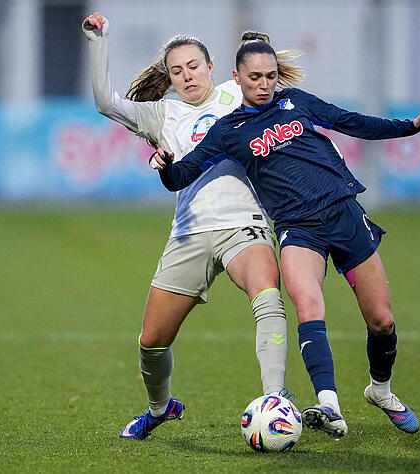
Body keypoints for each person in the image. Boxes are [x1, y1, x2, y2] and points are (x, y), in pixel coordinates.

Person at [155, 36, 420, 439]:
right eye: (255, 77)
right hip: (297, 228)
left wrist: (411, 126)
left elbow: (352, 122)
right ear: (236, 78)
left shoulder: (297, 102)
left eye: (271, 76)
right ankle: (329, 405)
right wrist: (165, 166)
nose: (264, 84)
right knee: (308, 304)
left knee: (381, 320)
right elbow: (181, 176)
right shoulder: (229, 130)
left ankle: (379, 390)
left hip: (343, 212)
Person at [82, 13, 305, 440]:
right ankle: (160, 407)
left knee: (267, 293)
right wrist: (99, 40)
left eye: (194, 66)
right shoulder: (162, 115)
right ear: (169, 78)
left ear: (212, 67)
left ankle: (276, 398)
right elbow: (105, 103)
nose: (187, 76)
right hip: (189, 233)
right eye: (176, 71)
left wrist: (260, 46)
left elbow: (270, 81)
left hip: (244, 223)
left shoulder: (236, 94)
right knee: (151, 340)